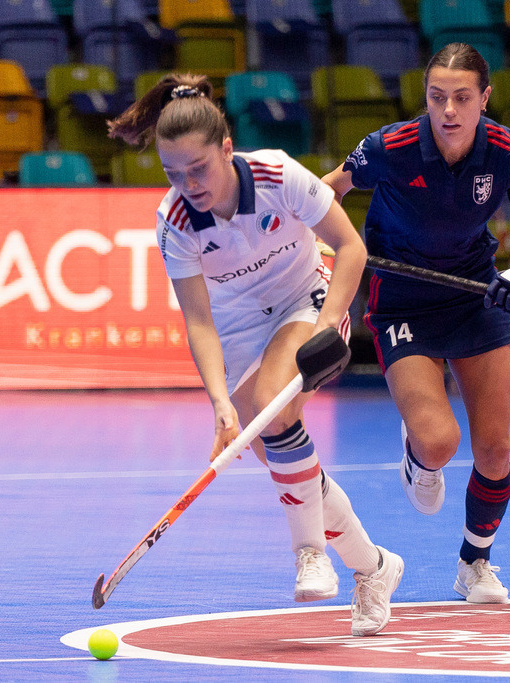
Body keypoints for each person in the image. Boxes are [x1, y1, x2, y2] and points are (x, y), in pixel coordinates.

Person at [107, 73, 403, 636]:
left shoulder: (277, 174)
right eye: (174, 174)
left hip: (303, 298)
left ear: (226, 148)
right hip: (240, 325)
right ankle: (375, 568)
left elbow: (351, 247)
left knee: (276, 406)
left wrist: (324, 326)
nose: (188, 184)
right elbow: (199, 321)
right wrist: (219, 403)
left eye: (198, 169)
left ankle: (309, 552)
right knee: (287, 462)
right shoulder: (174, 222)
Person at [322, 43, 510, 603]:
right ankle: (419, 450)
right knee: (441, 443)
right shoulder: (389, 148)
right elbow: (325, 193)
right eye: (437, 96)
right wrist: (331, 246)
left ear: (484, 99)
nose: (448, 110)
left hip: (473, 296)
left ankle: (474, 564)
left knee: (494, 450)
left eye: (462, 97)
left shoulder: (505, 150)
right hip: (403, 301)